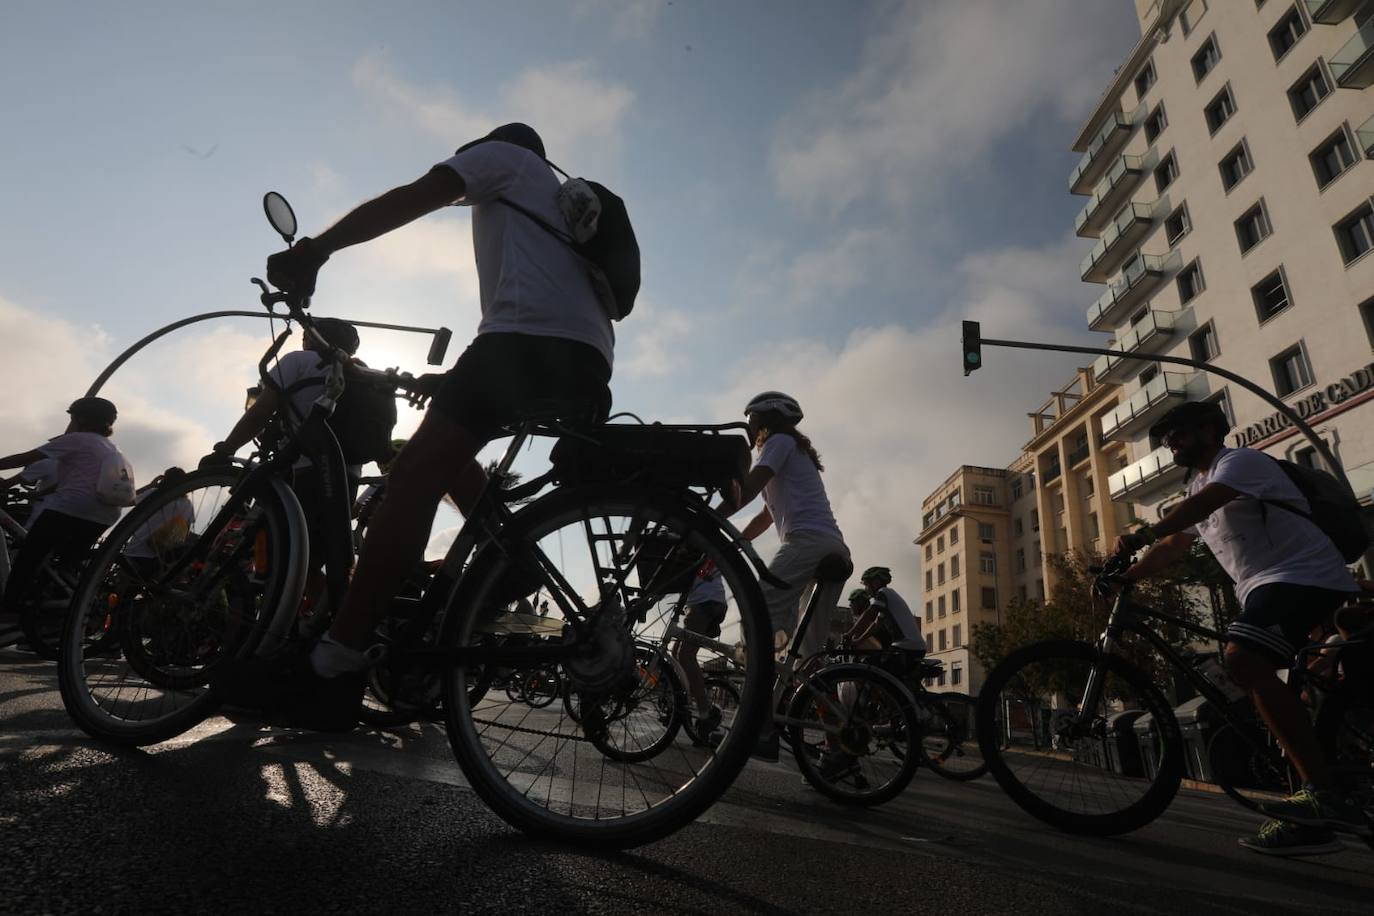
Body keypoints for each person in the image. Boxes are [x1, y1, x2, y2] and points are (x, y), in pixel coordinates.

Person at [220, 122, 613, 729]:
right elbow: (546, 294)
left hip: (522, 344)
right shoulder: (561, 198)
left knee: (408, 481)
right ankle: (504, 552)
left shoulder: (505, 158)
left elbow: (411, 197)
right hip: (584, 358)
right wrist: (445, 382)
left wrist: (313, 250)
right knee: (444, 452)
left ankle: (334, 661)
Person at [1110, 400, 1364, 856]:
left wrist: (1138, 535)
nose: (1171, 442)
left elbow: (1200, 509)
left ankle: (1322, 794)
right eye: (1166, 438)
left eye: (1179, 433)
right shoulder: (1198, 486)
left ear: (1210, 429)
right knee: (1278, 695)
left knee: (1243, 658)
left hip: (1302, 574)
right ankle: (1311, 817)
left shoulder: (1238, 462)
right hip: (1268, 588)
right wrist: (1126, 576)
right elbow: (1175, 544)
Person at [716, 391, 849, 762]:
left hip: (807, 544)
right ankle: (839, 746)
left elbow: (752, 484)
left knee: (755, 612)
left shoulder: (779, 441)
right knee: (809, 656)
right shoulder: (794, 449)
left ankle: (759, 725)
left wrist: (710, 517)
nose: (751, 427)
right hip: (832, 547)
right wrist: (735, 539)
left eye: (752, 420)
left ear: (765, 420)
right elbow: (765, 514)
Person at [0, 398, 128, 647]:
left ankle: (9, 612)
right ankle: (49, 613)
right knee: (60, 563)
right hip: (106, 514)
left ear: (80, 419)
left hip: (71, 509)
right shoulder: (110, 447)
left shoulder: (75, 440)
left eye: (72, 418)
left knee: (30, 554)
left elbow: (22, 459)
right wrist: (37, 494)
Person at [673, 559, 728, 743]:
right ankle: (687, 700)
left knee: (686, 656)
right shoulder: (702, 545)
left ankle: (706, 712)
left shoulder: (693, 548)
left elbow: (691, 576)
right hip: (710, 602)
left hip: (703, 603)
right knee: (677, 653)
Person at [847, 566, 926, 655]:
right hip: (913, 647)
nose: (866, 589)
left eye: (866, 585)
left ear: (876, 582)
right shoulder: (888, 600)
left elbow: (870, 613)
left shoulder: (883, 592)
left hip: (906, 646)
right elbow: (876, 625)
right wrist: (858, 641)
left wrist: (849, 634)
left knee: (871, 664)